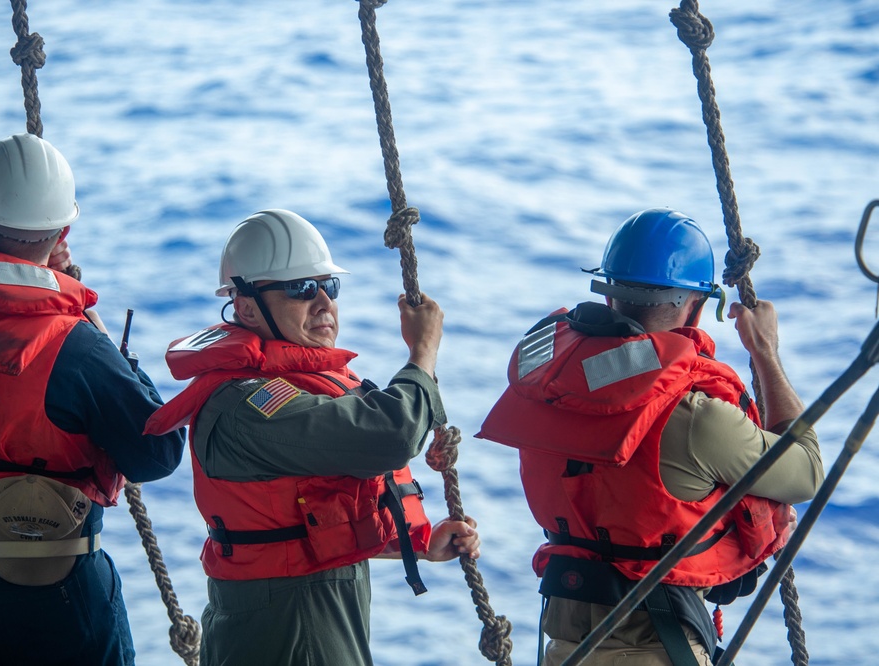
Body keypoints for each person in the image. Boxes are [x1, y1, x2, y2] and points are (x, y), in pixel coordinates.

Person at [0, 133, 187, 666]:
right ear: (63, 230)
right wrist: (98, 334)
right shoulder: (77, 345)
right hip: (59, 601)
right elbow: (157, 453)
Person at [478, 208, 824, 665]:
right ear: (696, 306)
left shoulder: (549, 394)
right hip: (660, 649)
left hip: (563, 648)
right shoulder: (699, 418)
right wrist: (765, 352)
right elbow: (807, 472)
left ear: (608, 297)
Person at [143, 209, 481, 666]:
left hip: (306, 621)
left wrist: (414, 544)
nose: (323, 302)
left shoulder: (292, 388)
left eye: (330, 286)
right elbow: (391, 434)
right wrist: (423, 350)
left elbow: (299, 527)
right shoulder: (249, 405)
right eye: (301, 289)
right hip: (290, 632)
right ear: (245, 307)